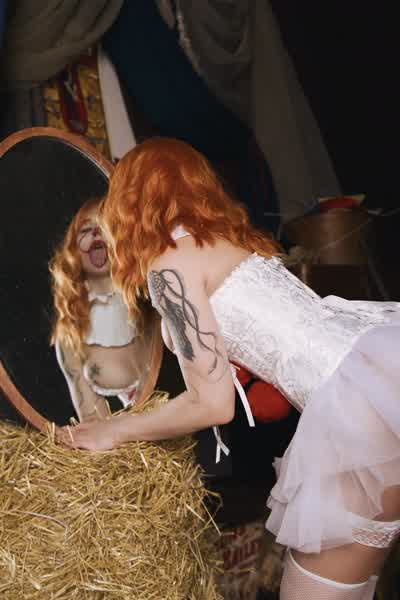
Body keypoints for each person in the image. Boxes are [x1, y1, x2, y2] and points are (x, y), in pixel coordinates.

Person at [63, 138, 400, 599]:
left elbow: (212, 404)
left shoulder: (169, 268)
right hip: (380, 373)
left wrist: (113, 431)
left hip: (356, 411)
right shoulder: (232, 244)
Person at [50, 197, 146, 423]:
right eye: (85, 230)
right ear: (73, 251)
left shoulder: (146, 295)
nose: (96, 232)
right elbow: (92, 418)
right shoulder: (71, 332)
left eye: (105, 226)